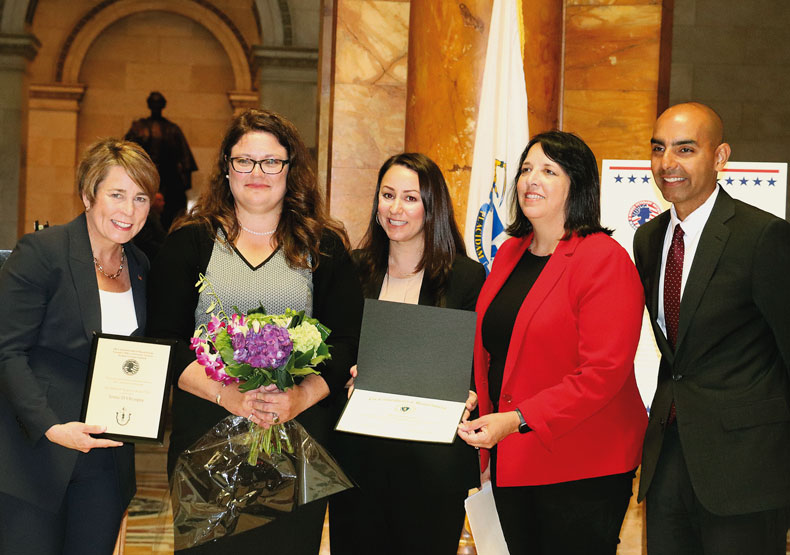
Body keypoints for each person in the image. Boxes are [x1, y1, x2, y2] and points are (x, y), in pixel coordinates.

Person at [146, 109, 363, 553]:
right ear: (226, 168)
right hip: (205, 434)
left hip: (298, 437)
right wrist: (230, 397)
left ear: (290, 169)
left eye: (271, 161)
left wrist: (299, 397)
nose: (257, 173)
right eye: (244, 161)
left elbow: (347, 342)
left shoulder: (323, 246)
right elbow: (165, 340)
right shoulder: (190, 240)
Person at [457, 131, 647, 554]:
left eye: (548, 170)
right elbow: (496, 353)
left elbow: (603, 373)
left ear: (576, 185)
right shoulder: (509, 253)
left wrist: (516, 417)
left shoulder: (603, 259)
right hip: (512, 457)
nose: (530, 180)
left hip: (581, 464)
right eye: (526, 169)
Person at [634, 102, 790, 554]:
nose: (668, 164)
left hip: (747, 470)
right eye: (658, 149)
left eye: (685, 149)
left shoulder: (763, 237)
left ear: (720, 157)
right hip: (667, 461)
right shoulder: (648, 239)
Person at [0, 138, 158, 554]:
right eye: (117, 194)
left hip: (106, 462)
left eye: (140, 197)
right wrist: (51, 425)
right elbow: (6, 351)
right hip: (36, 455)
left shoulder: (139, 266)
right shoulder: (43, 252)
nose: (129, 210)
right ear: (89, 194)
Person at [329, 153, 485, 555]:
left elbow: (477, 359)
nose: (396, 208)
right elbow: (335, 343)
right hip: (360, 457)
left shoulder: (466, 276)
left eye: (410, 198)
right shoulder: (354, 268)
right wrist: (345, 369)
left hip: (432, 464)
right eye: (387, 195)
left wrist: (468, 391)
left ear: (432, 207)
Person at [125, 91, 198, 230]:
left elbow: (186, 159)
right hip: (143, 181)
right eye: (153, 102)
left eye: (158, 103)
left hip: (170, 185)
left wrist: (184, 185)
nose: (156, 106)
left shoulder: (172, 130)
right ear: (149, 104)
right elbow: (125, 155)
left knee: (170, 223)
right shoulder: (139, 127)